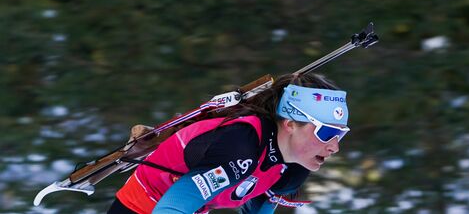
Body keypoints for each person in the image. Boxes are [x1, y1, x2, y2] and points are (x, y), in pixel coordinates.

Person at [107, 73, 350, 214]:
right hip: (141, 207)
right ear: (290, 124)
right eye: (327, 132)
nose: (334, 146)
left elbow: (258, 206)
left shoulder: (292, 168)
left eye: (340, 134)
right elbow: (172, 207)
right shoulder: (240, 146)